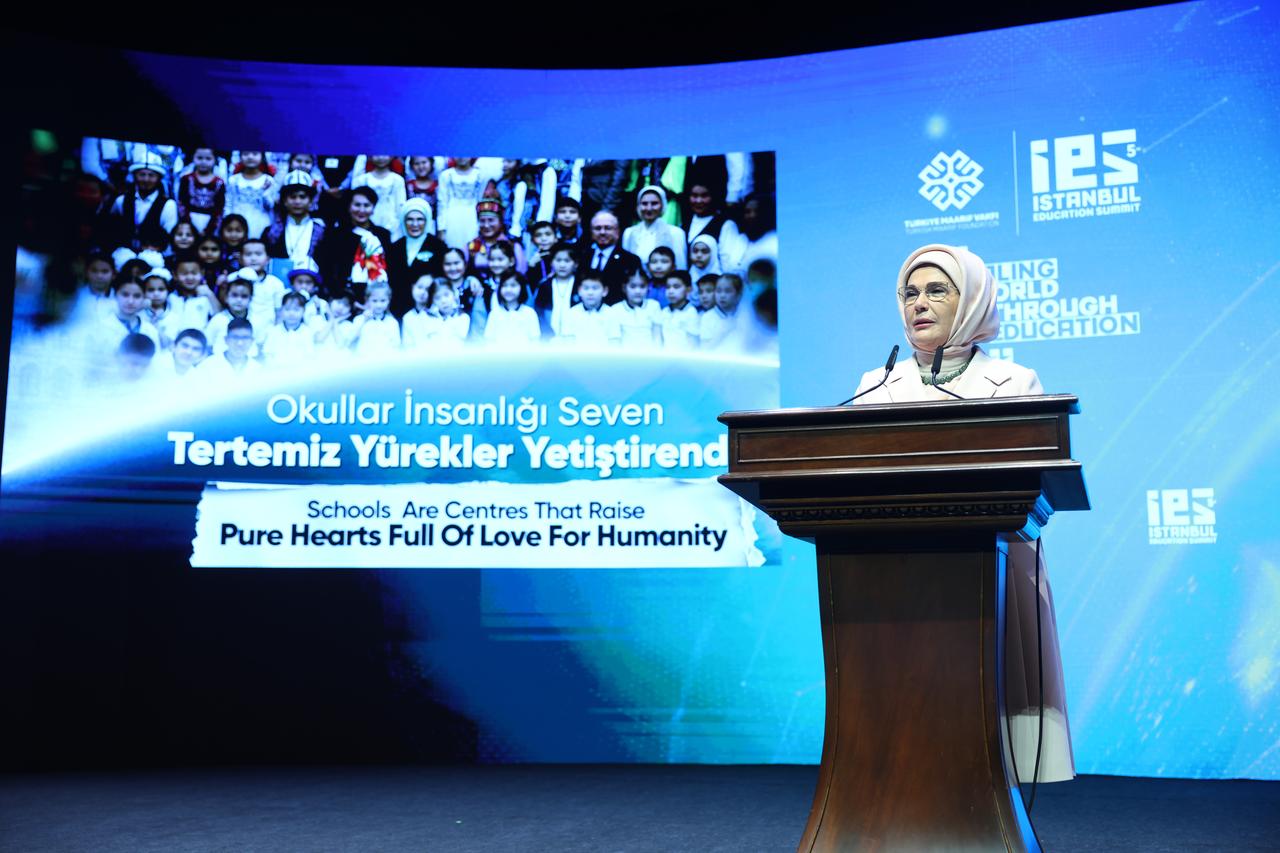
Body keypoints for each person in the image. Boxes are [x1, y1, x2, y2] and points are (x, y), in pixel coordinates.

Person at [850, 243, 1074, 784]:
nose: (917, 304)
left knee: (988, 745)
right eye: (909, 293)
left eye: (935, 291)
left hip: (991, 569)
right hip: (892, 577)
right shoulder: (875, 386)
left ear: (971, 300)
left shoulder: (1015, 385)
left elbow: (1035, 489)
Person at [388, 198, 447, 314]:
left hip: (429, 306)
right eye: (410, 219)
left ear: (427, 221)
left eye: (420, 219)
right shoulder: (394, 248)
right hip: (399, 307)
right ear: (403, 221)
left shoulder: (438, 246)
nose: (415, 224)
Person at [576, 210, 640, 303]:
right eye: (597, 228)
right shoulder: (582, 256)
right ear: (591, 232)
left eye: (608, 228)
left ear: (617, 231)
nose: (602, 232)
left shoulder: (630, 260)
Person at [621, 186, 687, 274]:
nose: (649, 208)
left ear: (663, 205)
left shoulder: (675, 233)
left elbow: (680, 266)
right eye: (644, 203)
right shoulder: (629, 233)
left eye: (654, 203)